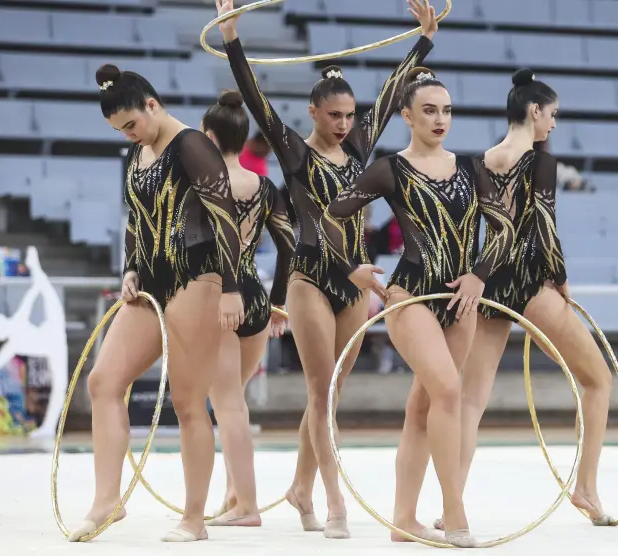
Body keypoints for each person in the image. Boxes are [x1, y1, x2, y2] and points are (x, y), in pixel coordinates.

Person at [215, 0, 438, 538]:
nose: (343, 125)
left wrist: (424, 40)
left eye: (348, 116)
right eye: (333, 116)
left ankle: (299, 487)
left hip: (355, 283)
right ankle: (335, 502)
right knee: (320, 392)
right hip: (310, 279)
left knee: (332, 395)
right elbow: (255, 99)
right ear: (314, 112)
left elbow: (391, 94)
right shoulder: (293, 151)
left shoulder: (360, 147)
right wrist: (232, 38)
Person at [320, 67, 517, 547]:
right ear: (406, 115)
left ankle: (402, 519)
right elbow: (331, 216)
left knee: (423, 405)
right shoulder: (391, 168)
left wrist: (478, 275)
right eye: (429, 110)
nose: (440, 118)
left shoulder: (472, 168)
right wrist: (354, 268)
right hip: (410, 296)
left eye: (446, 110)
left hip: (461, 299)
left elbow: (506, 228)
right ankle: (456, 514)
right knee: (449, 392)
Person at [427, 69, 614, 530]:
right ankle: (585, 487)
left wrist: (471, 274)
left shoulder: (477, 162)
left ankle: (451, 504)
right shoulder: (541, 162)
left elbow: (466, 226)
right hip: (530, 280)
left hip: (487, 281)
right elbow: (545, 228)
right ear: (534, 111)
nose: (553, 124)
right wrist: (562, 280)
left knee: (470, 401)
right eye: (552, 115)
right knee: (597, 381)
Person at [69, 63, 246, 543]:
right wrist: (129, 267)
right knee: (103, 382)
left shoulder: (192, 145)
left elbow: (226, 216)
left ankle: (193, 518)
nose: (129, 136)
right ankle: (108, 499)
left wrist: (232, 288)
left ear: (152, 104)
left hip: (197, 277)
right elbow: (136, 221)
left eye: (131, 124)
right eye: (119, 131)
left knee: (189, 402)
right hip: (150, 281)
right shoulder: (139, 154)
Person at [197, 90, 296, 526]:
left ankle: (248, 507)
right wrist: (278, 305)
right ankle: (233, 496)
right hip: (256, 295)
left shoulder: (203, 185)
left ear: (210, 137)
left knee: (228, 406)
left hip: (221, 298)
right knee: (234, 403)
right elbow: (290, 247)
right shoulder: (264, 186)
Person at [0, 246, 67, 439]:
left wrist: (37, 280)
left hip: (52, 334)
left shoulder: (15, 326)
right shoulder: (11, 342)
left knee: (48, 295)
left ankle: (49, 426)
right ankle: (49, 426)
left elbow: (32, 298)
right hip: (51, 341)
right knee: (59, 386)